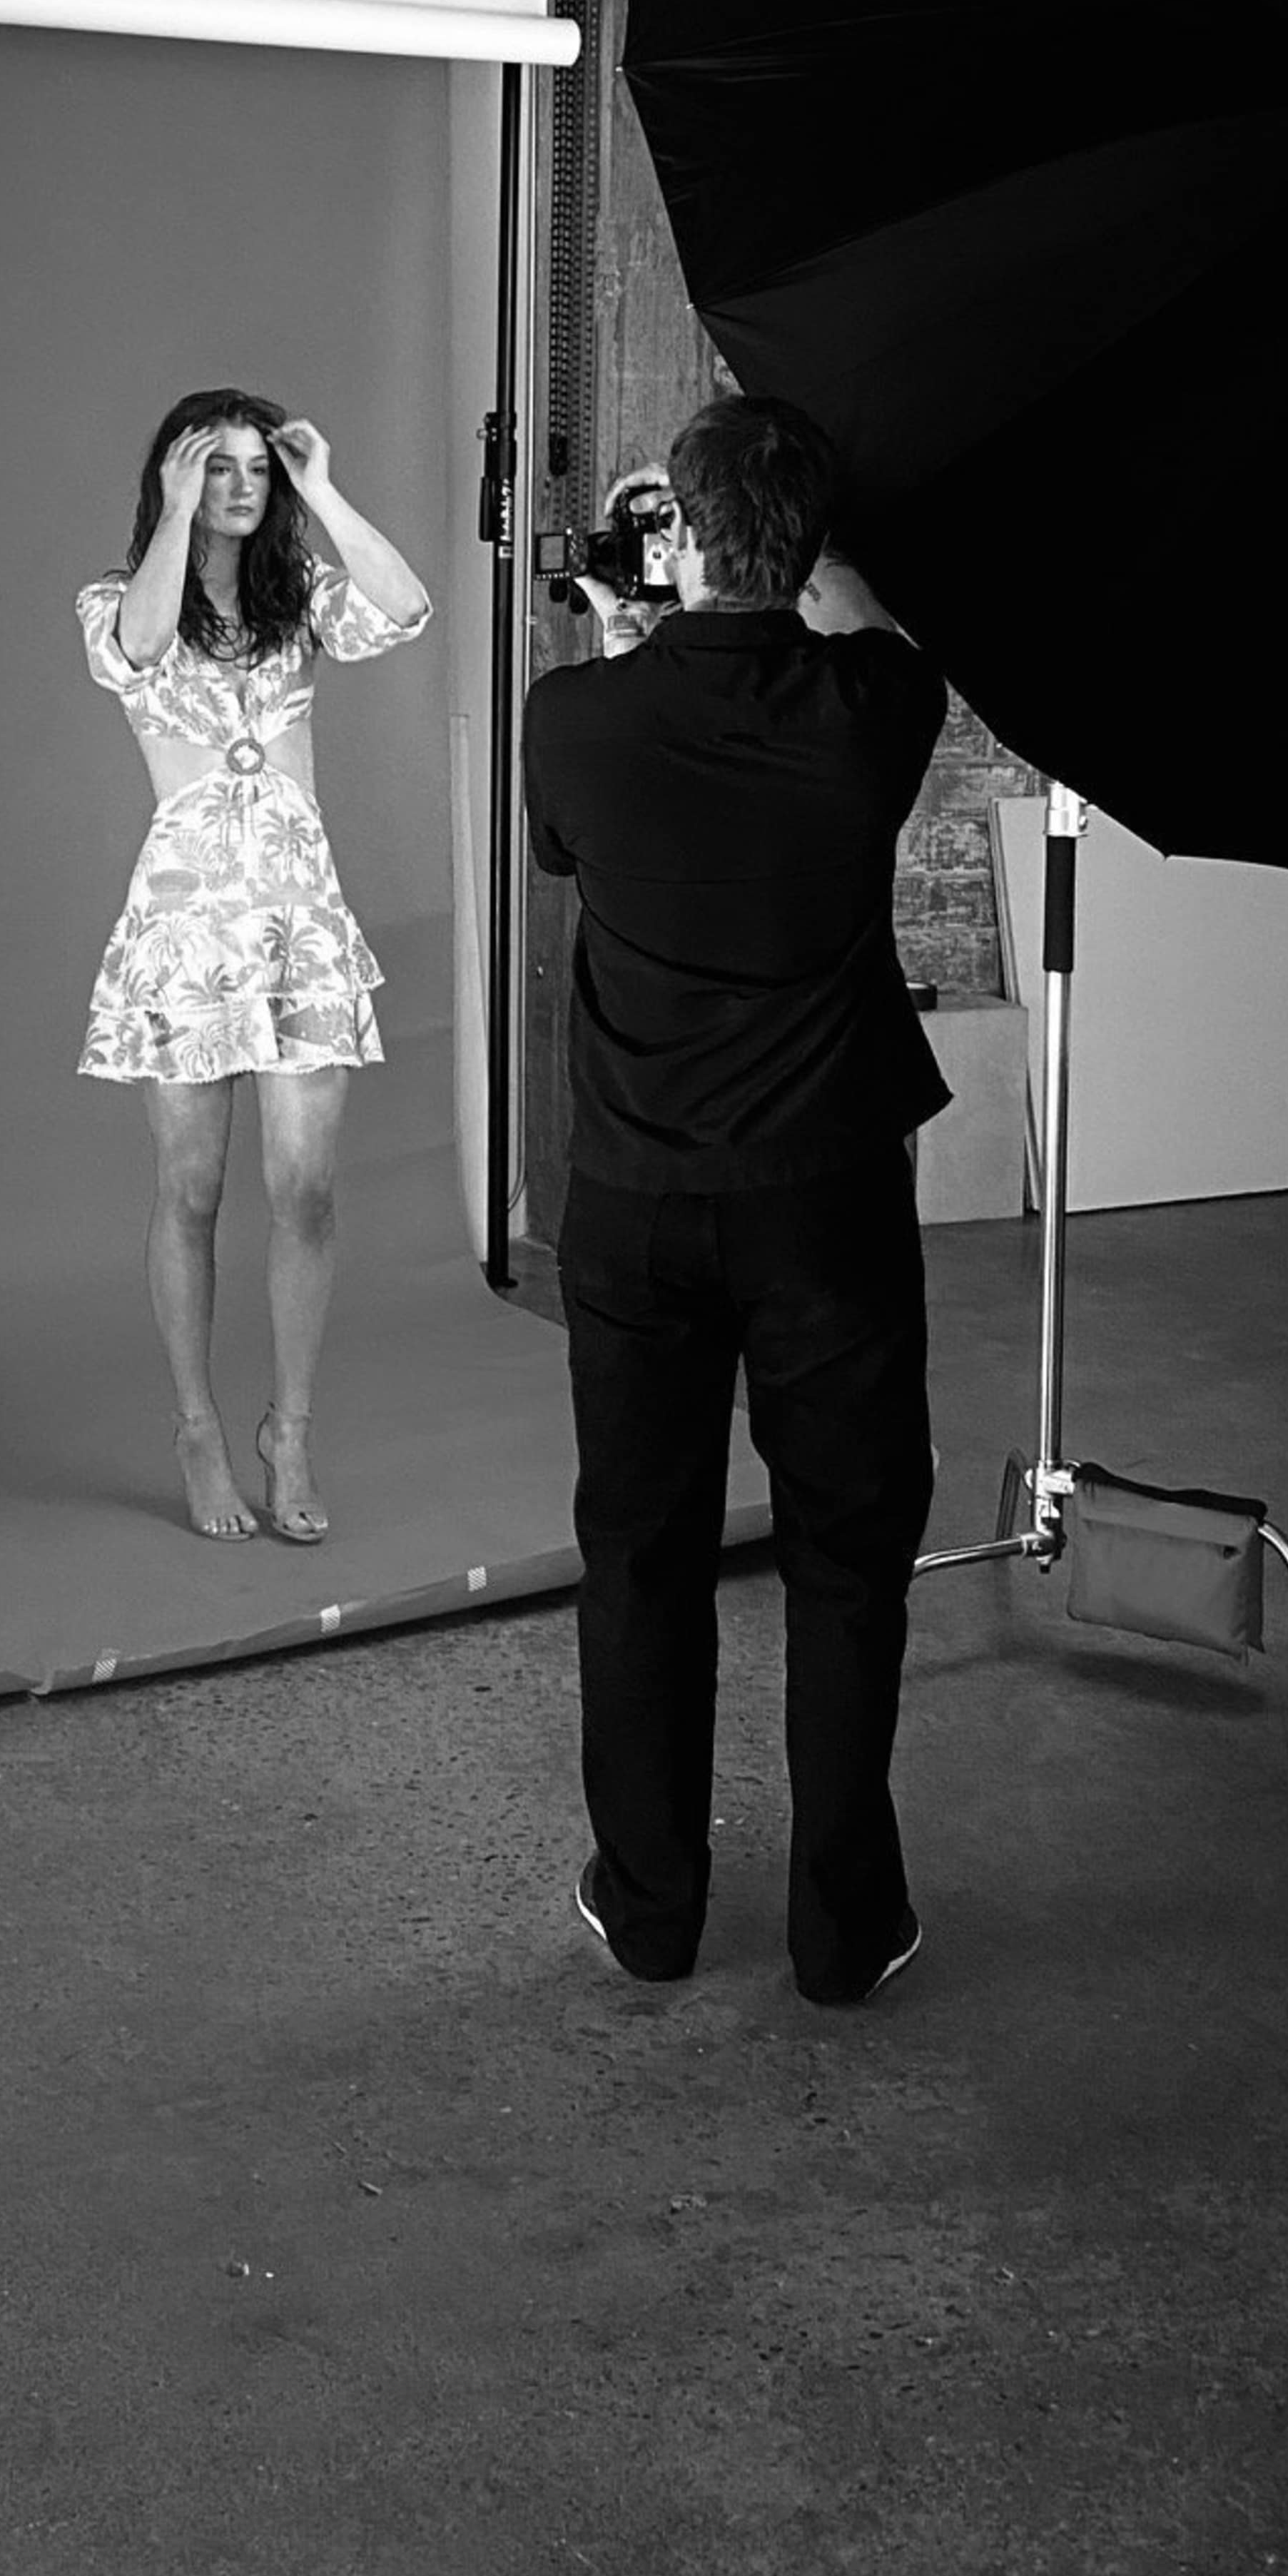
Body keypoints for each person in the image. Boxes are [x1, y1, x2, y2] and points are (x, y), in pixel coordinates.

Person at [521, 395, 948, 2005]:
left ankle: (653, 1906)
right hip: (824, 1202)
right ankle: (846, 1929)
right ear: (808, 547)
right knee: (850, 1554)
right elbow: (854, 628)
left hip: (633, 1207)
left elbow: (582, 839)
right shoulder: (877, 703)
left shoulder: (576, 717)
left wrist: (640, 632)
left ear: (682, 538)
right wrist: (790, 564)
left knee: (641, 1551)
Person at [77, 390, 430, 1546]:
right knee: (191, 1192)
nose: (239, 485)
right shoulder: (115, 604)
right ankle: (195, 1427)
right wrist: (174, 513)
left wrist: (322, 485)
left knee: (307, 1190)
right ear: (175, 478)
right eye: (214, 467)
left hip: (300, 926)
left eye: (254, 470)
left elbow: (409, 607)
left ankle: (295, 1426)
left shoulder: (301, 605)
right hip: (185, 938)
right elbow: (135, 653)